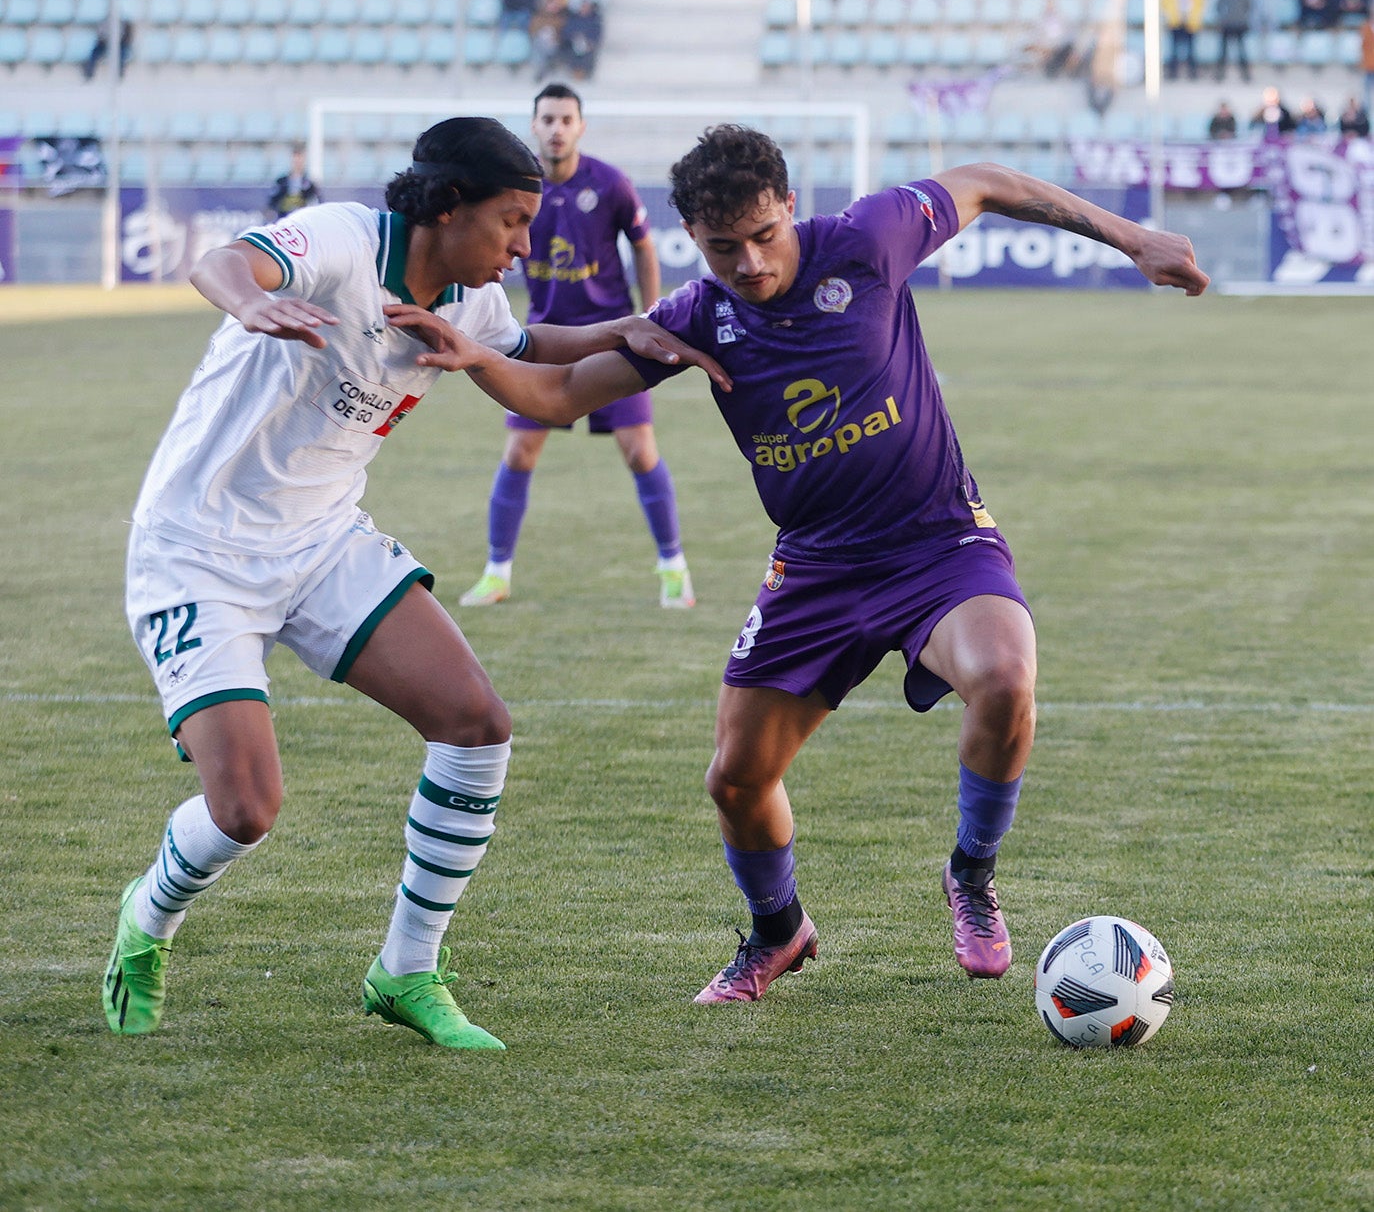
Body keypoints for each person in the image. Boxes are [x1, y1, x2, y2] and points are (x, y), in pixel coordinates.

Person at [414, 125, 1210, 1001]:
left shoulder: (867, 241)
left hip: (937, 541)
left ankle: (972, 875)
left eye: (764, 235)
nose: (749, 262)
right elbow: (561, 393)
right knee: (737, 777)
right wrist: (477, 358)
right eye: (723, 248)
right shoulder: (699, 315)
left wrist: (1134, 237)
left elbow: (986, 180)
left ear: (791, 206)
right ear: (693, 239)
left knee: (1007, 676)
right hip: (816, 568)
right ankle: (778, 930)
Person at [100, 116, 717, 1048]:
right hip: (198, 550)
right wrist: (251, 301)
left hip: (321, 545)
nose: (523, 243)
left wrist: (636, 331)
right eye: (511, 222)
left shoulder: (470, 300)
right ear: (446, 205)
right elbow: (227, 262)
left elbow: (537, 347)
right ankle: (147, 920)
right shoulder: (344, 241)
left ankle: (406, 968)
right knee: (245, 808)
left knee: (477, 725)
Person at [460, 85, 694, 610]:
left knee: (639, 451)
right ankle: (496, 573)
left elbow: (642, 246)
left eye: (567, 119)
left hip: (611, 336)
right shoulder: (518, 191)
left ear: (581, 127)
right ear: (534, 126)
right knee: (520, 452)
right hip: (544, 337)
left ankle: (674, 567)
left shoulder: (609, 184)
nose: (557, 128)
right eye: (548, 119)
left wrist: (652, 316)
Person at [1161, 0, 1205, 80]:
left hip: (1190, 21)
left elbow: (1200, 2)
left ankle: (1192, 74)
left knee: (1191, 50)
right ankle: (1172, 74)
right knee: (1174, 50)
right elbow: (1164, 3)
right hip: (1175, 21)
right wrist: (1170, 15)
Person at [1214, 0, 1252, 83]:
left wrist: (1242, 17)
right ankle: (1220, 74)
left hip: (1239, 25)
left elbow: (1248, 6)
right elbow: (1219, 6)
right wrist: (1224, 18)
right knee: (1223, 51)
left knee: (1242, 52)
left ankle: (1245, 74)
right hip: (1227, 25)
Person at [268, 144, 322, 220]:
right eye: (295, 160)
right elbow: (272, 201)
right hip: (283, 219)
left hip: (302, 220)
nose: (297, 163)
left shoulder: (310, 184)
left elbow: (316, 202)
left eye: (300, 160)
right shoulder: (281, 182)